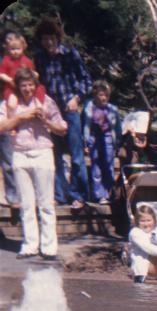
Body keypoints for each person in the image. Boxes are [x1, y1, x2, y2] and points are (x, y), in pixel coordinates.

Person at [0, 68, 66, 260]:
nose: (27, 89)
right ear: (18, 87)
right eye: (23, 85)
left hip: (43, 152)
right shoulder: (11, 104)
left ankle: (49, 247)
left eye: (30, 85)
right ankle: (30, 245)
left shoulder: (46, 101)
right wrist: (21, 117)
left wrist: (45, 121)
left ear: (35, 85)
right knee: (27, 204)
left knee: (45, 203)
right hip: (20, 153)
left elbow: (62, 128)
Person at [32, 18, 91, 209]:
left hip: (69, 110)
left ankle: (77, 195)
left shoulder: (70, 54)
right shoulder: (39, 57)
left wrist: (76, 99)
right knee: (54, 154)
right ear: (41, 40)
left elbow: (86, 80)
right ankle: (60, 194)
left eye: (51, 38)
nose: (48, 42)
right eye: (44, 39)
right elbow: (37, 85)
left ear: (57, 38)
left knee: (76, 155)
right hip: (50, 113)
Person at [0, 31, 42, 206]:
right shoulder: (6, 61)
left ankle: (33, 195)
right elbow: (1, 74)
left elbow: (34, 74)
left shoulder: (27, 61)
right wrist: (12, 81)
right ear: (6, 48)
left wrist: (32, 78)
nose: (15, 52)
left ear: (23, 48)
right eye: (12, 49)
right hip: (12, 89)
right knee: (11, 103)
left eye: (17, 49)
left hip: (23, 92)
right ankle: (13, 127)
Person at [80, 80, 120, 204]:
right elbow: (85, 126)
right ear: (96, 94)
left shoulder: (112, 109)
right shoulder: (89, 107)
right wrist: (85, 143)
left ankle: (108, 193)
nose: (104, 98)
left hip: (108, 138)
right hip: (94, 138)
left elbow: (118, 127)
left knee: (108, 166)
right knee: (96, 167)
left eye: (106, 95)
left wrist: (117, 142)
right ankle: (99, 195)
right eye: (101, 95)